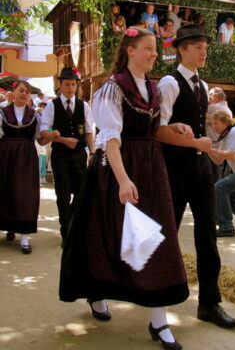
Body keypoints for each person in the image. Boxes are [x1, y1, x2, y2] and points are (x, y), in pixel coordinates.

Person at [59, 27, 189, 350]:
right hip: (118, 171)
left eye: (155, 50)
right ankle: (97, 293)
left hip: (152, 170)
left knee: (156, 241)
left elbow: (154, 129)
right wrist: (122, 179)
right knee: (107, 237)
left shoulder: (158, 89)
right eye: (148, 48)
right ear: (130, 50)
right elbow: (110, 139)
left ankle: (159, 322)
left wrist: (175, 128)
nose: (154, 54)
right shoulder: (113, 89)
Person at [156, 24, 235, 329]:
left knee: (207, 236)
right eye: (197, 47)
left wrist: (212, 151)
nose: (204, 52)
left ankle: (209, 303)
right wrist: (194, 144)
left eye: (206, 47)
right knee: (166, 235)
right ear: (181, 49)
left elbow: (202, 132)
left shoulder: (204, 87)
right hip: (175, 169)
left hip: (201, 168)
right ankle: (155, 300)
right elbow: (159, 130)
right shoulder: (169, 83)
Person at [40, 67, 95, 246]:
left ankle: (72, 224)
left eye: (73, 84)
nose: (70, 88)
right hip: (60, 156)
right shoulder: (52, 105)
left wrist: (92, 152)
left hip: (79, 155)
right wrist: (61, 139)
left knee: (81, 194)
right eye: (67, 84)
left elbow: (88, 131)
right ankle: (66, 231)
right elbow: (43, 131)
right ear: (60, 85)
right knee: (62, 195)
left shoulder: (83, 105)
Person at [0, 81, 57, 253]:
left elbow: (39, 138)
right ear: (14, 93)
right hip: (6, 156)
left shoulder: (34, 115)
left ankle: (24, 236)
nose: (24, 94)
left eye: (27, 92)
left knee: (25, 193)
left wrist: (51, 136)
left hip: (26, 158)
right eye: (21, 91)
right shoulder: (2, 113)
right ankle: (9, 227)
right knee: (6, 189)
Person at [206, 87, 232, 182]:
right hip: (221, 147)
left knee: (214, 180)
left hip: (213, 148)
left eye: (209, 97)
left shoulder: (214, 108)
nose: (208, 100)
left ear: (216, 96)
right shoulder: (227, 109)